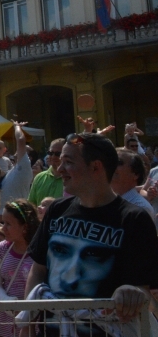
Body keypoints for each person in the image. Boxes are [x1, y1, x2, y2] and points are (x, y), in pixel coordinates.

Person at [23, 132, 158, 335]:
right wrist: (27, 323)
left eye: (68, 162)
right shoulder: (57, 210)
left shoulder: (134, 219)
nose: (60, 169)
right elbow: (38, 271)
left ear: (96, 167)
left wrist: (132, 293)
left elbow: (144, 289)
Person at [0, 199, 39, 337]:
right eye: (3, 222)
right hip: (4, 325)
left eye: (8, 224)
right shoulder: (1, 248)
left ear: (25, 227)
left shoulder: (41, 249)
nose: (3, 228)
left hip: (36, 326)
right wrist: (11, 306)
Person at [0, 121, 33, 211]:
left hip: (14, 215)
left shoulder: (25, 166)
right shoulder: (15, 169)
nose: (19, 150)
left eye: (25, 151)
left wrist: (17, 126)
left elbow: (20, 140)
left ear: (29, 158)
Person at [111, 149, 152, 214]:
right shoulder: (103, 202)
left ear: (135, 174)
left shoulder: (141, 208)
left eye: (119, 162)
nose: (112, 166)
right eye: (111, 161)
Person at [28, 138, 65, 206]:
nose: (53, 156)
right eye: (50, 153)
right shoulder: (39, 177)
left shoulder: (71, 179)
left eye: (58, 154)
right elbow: (31, 206)